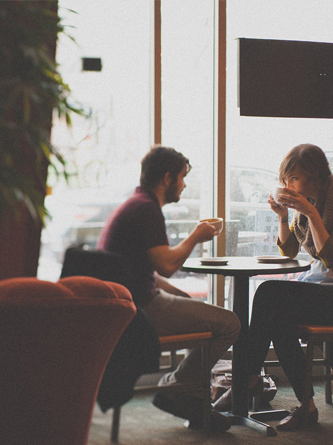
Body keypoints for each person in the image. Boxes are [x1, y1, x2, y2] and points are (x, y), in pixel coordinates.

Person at [97, 145, 240, 432]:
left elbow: (142, 268)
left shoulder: (135, 204)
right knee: (229, 323)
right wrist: (196, 235)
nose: (184, 185)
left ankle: (186, 393)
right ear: (166, 178)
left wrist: (174, 291)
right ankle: (180, 389)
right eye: (182, 177)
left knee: (202, 313)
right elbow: (166, 265)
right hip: (140, 310)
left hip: (129, 302)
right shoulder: (147, 210)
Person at [243, 143, 333, 430]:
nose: (287, 185)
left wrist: (311, 213)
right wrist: (283, 217)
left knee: (268, 291)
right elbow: (289, 250)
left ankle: (247, 380)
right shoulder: (307, 206)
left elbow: (332, 256)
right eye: (285, 179)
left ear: (316, 177)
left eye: (294, 178)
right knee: (278, 318)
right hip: (319, 291)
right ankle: (307, 406)